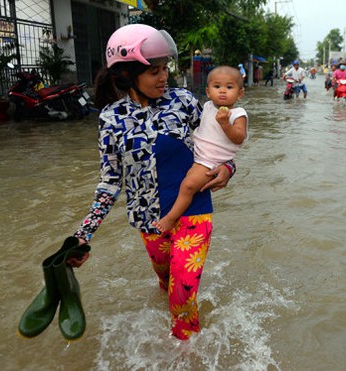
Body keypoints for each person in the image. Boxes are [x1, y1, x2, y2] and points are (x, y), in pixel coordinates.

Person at [68, 24, 234, 341]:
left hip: (194, 212)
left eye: (165, 68)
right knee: (167, 284)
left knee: (181, 298)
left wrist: (228, 167)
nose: (164, 77)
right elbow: (109, 184)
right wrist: (82, 235)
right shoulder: (111, 120)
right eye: (154, 71)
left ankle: (188, 356)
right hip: (150, 222)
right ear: (128, 75)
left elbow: (218, 143)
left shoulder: (184, 102)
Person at [154, 66, 247, 233]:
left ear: (240, 94)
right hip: (198, 157)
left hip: (211, 161)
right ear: (208, 91)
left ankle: (170, 218)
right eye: (217, 87)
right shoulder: (208, 107)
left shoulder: (237, 113)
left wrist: (226, 124)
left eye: (229, 87)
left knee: (188, 186)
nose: (223, 91)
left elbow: (239, 137)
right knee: (188, 184)